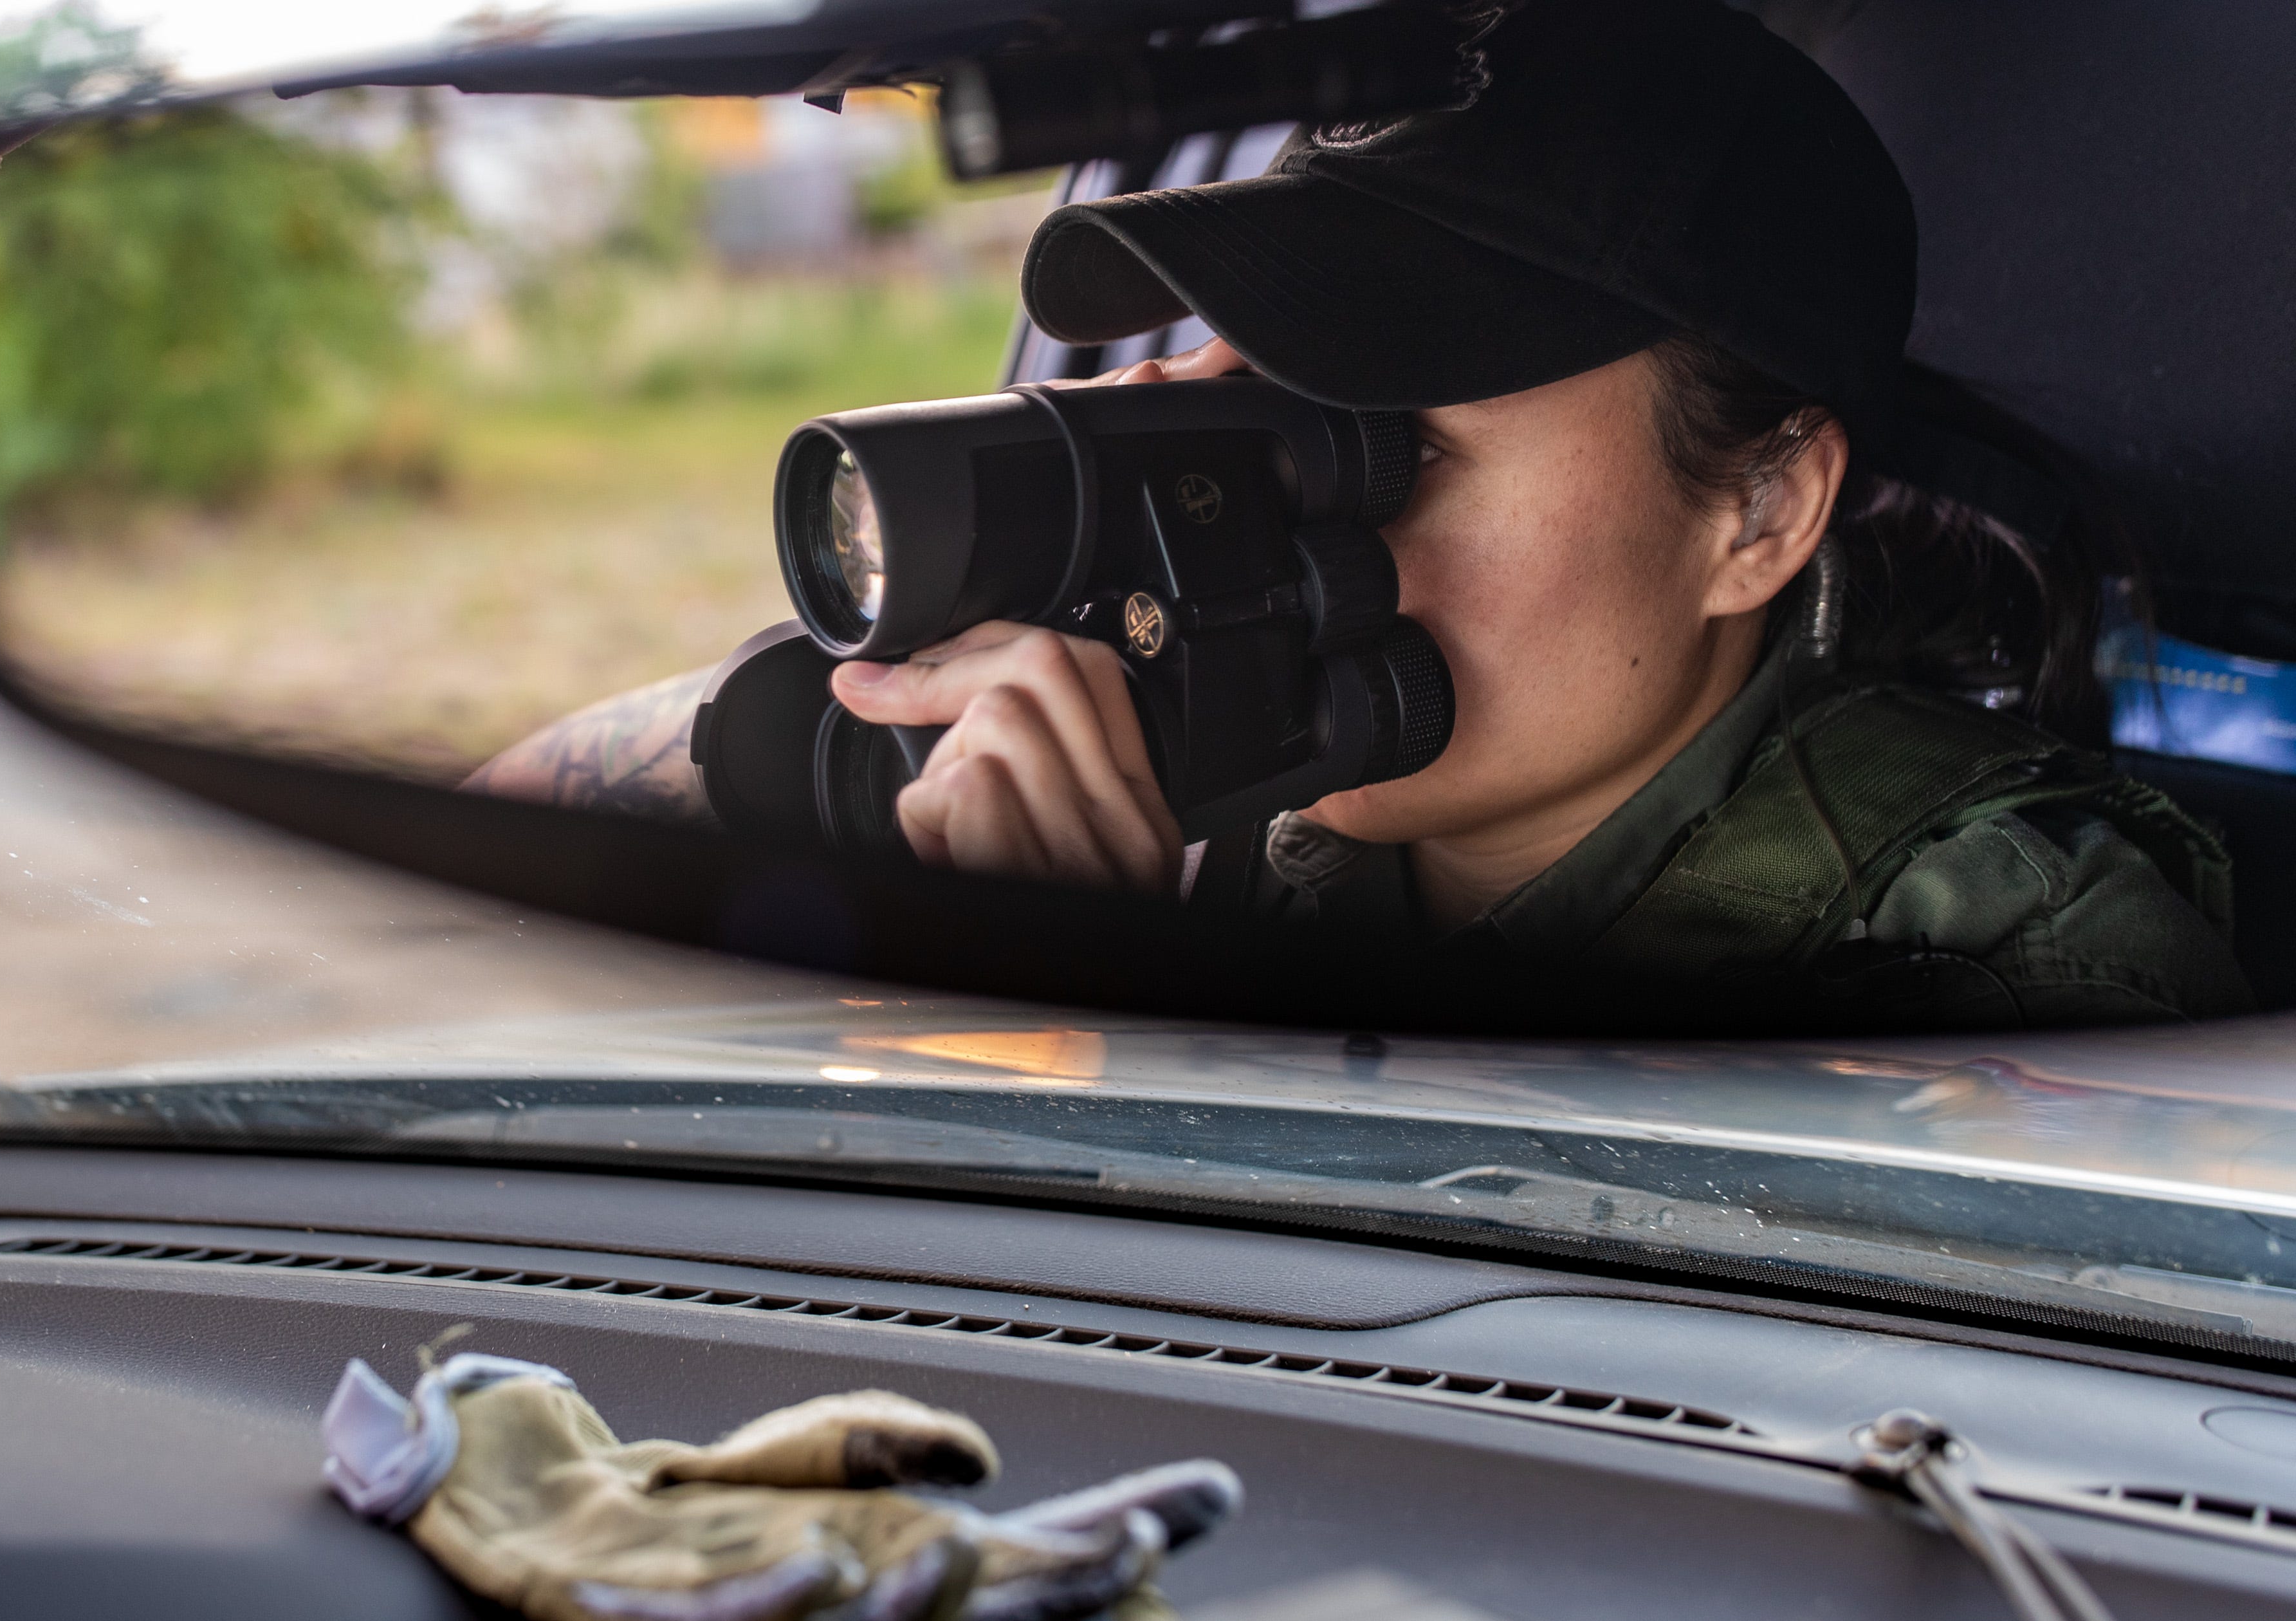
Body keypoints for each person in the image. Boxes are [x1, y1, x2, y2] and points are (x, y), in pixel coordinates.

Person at [473, 0, 2248, 1030]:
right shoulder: (1176, 758)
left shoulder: (2002, 948)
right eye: (1257, 385)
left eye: (1389, 436)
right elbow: (494, 836)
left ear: (1764, 507)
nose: (1276, 498)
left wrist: (1113, 1019)